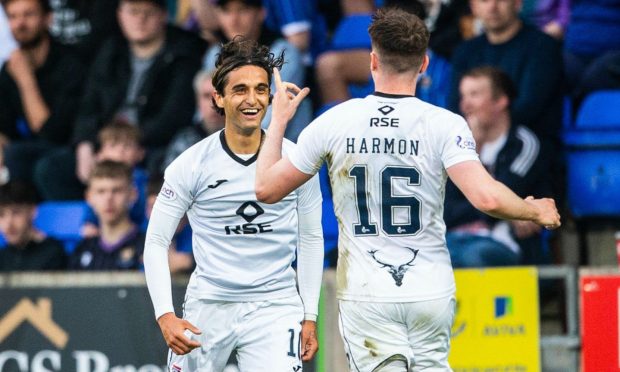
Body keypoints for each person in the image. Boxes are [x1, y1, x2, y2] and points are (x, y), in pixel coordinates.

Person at [255, 7, 561, 371]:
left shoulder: (334, 121)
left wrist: (278, 121)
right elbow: (487, 197)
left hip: (368, 294)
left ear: (372, 61)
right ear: (425, 64)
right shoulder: (445, 124)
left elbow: (266, 189)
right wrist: (534, 210)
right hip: (429, 289)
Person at [143, 37, 324, 371]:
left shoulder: (297, 160)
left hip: (275, 304)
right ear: (218, 98)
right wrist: (165, 314)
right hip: (208, 305)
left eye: (260, 89)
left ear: (271, 96)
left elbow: (311, 237)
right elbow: (155, 241)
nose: (251, 99)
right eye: (240, 90)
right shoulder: (191, 164)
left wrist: (310, 314)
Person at [36, 0, 206, 196]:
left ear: (163, 15)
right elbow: (88, 105)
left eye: (147, 12)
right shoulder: (110, 49)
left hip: (152, 145)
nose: (140, 19)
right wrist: (85, 144)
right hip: (107, 144)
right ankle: (88, 221)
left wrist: (126, 144)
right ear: (120, 15)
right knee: (50, 168)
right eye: (133, 12)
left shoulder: (184, 52)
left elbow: (175, 115)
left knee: (166, 166)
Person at [445, 66, 553, 267]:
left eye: (474, 94)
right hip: (453, 238)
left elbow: (494, 200)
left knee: (473, 257)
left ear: (501, 101)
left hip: (504, 243)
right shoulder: (455, 146)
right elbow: (445, 209)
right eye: (463, 95)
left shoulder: (524, 144)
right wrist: (510, 213)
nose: (465, 105)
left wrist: (473, 152)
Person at [449, 0, 564, 144]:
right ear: (474, 6)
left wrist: (484, 129)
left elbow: (529, 108)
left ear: (517, 3)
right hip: (474, 143)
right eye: (484, 1)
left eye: (501, 0)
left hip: (529, 146)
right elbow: (455, 106)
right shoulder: (464, 52)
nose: (492, 7)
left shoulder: (543, 47)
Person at [0, 0, 85, 187]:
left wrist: (26, 80)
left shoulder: (72, 64)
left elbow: (52, 133)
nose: (20, 24)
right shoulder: (9, 69)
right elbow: (4, 128)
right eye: (13, 17)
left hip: (70, 151)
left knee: (34, 163)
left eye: (28, 14)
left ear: (48, 18)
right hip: (27, 152)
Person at [203, 0, 311, 142]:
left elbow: (270, 116)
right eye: (226, 11)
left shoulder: (284, 53)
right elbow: (206, 111)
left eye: (242, 10)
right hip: (227, 146)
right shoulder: (214, 55)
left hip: (284, 150)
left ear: (261, 13)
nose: (233, 19)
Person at [69, 160, 144, 270]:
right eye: (101, 191)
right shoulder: (82, 248)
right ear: (89, 197)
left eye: (117, 191)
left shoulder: (147, 246)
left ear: (132, 194)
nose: (108, 199)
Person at [160, 69, 225, 173]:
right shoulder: (184, 141)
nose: (213, 104)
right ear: (198, 100)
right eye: (206, 96)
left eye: (219, 95)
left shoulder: (248, 140)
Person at [0, 181, 66, 271]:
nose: (8, 224)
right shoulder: (3, 256)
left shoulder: (53, 253)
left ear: (33, 211)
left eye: (16, 213)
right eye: (1, 215)